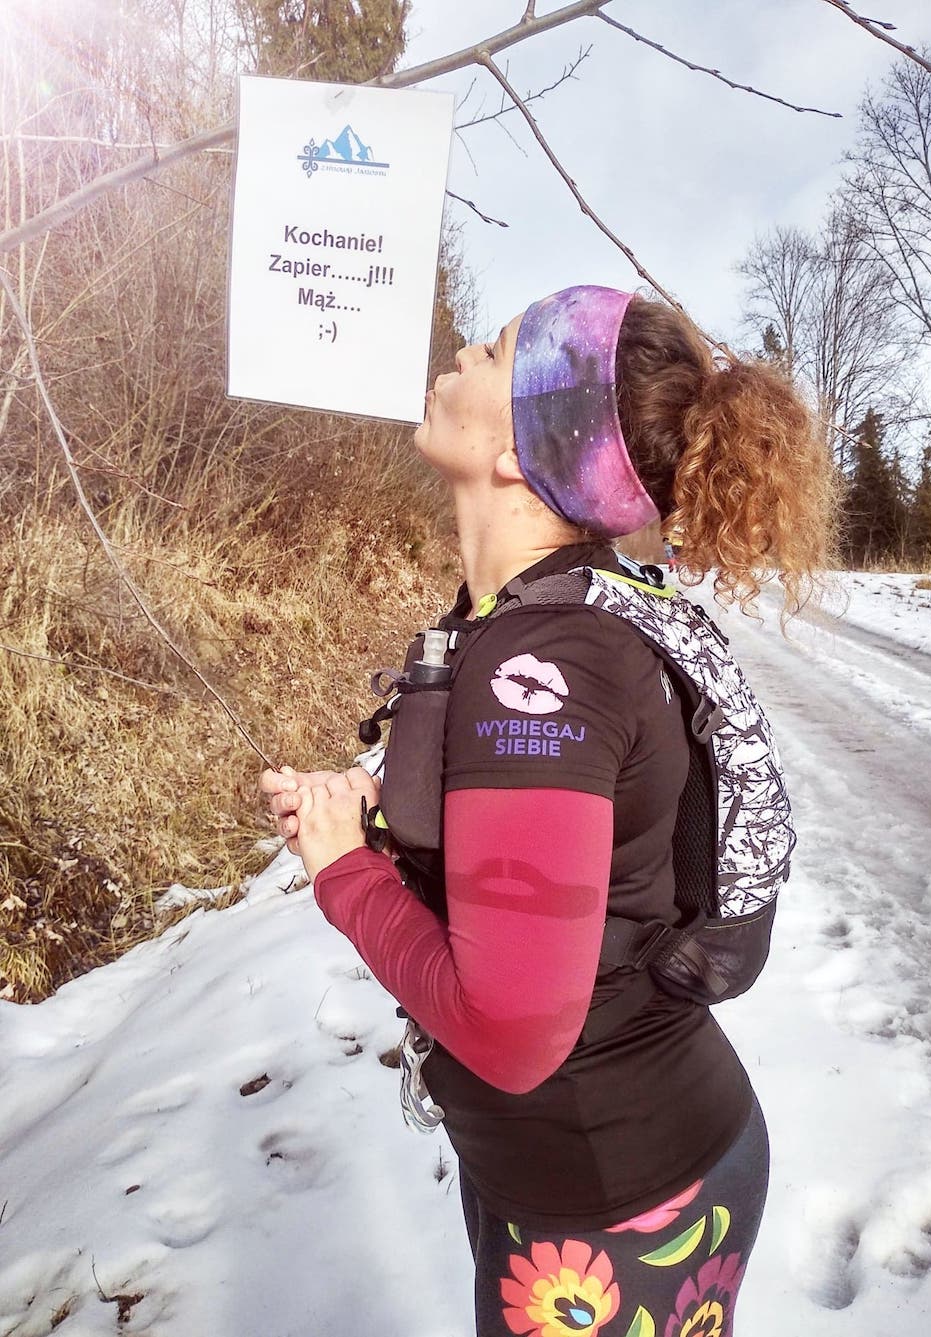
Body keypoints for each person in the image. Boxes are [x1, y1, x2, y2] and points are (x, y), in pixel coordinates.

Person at [261, 286, 835, 1337]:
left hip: (618, 1207)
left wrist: (345, 873)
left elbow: (513, 1032)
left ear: (521, 453)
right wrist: (368, 820)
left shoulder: (546, 665)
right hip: (595, 1175)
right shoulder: (542, 615)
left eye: (489, 351)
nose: (457, 353)